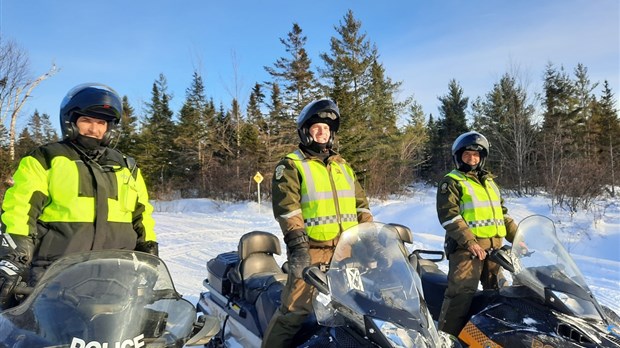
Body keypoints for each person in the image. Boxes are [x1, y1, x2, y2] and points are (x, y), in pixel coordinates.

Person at [0, 83, 157, 310]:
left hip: (117, 277)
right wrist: (15, 259)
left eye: (101, 123)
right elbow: (20, 210)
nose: (94, 129)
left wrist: (149, 255)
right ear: (71, 122)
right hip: (55, 279)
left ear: (110, 128)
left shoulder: (126, 167)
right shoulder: (45, 159)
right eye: (87, 121)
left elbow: (142, 216)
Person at [262, 99, 373, 347]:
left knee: (357, 308)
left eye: (326, 128)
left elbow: (361, 206)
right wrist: (298, 246)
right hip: (311, 251)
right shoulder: (291, 164)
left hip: (346, 252)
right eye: (316, 128)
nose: (322, 133)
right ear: (305, 131)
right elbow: (288, 209)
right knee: (294, 312)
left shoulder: (343, 166)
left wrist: (370, 239)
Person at [435, 130, 517, 337]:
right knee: (460, 295)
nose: (472, 159)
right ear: (458, 156)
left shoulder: (490, 183)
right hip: (466, 249)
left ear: (482, 158)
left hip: (495, 250)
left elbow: (502, 215)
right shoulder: (452, 181)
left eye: (476, 155)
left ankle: (493, 336)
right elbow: (450, 216)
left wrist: (520, 238)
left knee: (499, 294)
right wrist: (470, 242)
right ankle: (447, 338)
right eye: (467, 155)